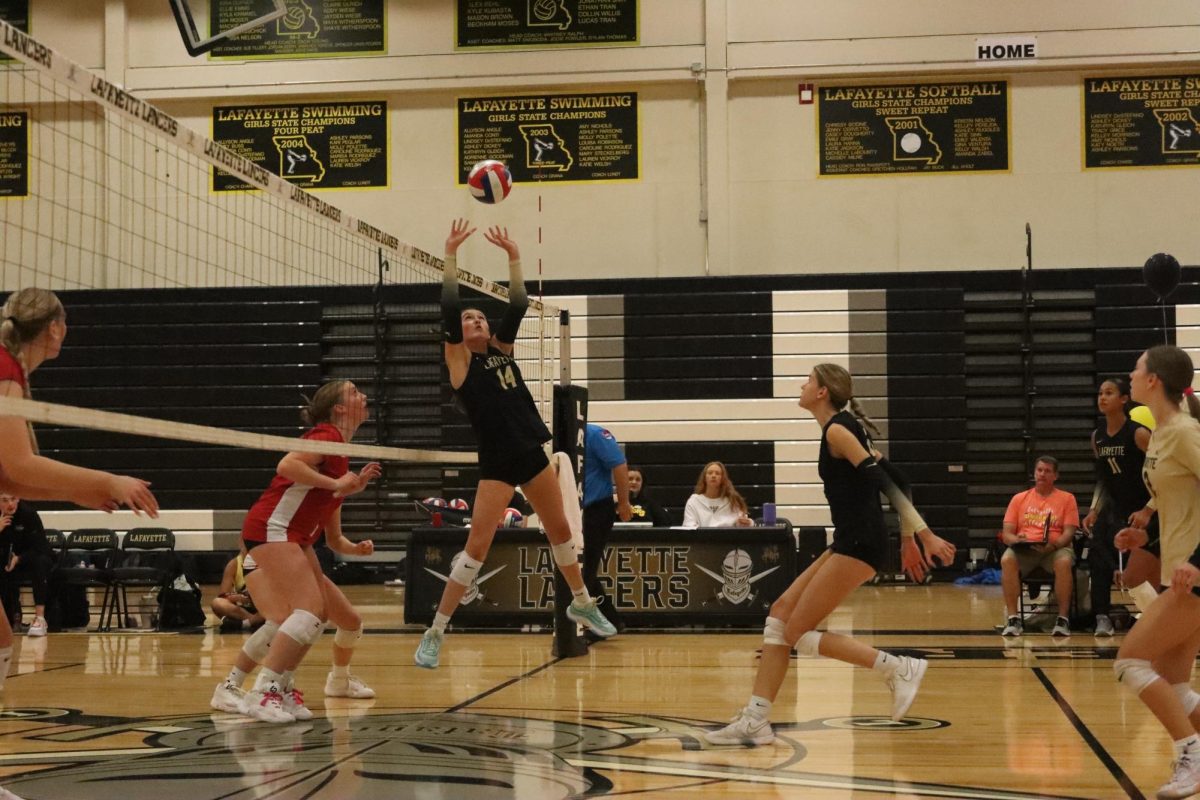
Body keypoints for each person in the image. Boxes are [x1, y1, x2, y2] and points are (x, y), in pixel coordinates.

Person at [704, 363, 956, 747]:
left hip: (860, 542)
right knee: (779, 617)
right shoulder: (844, 428)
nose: (802, 386)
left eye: (808, 381)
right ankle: (756, 719)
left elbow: (885, 482)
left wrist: (924, 534)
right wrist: (906, 541)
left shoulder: (838, 430)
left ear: (822, 392)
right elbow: (902, 479)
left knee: (796, 631)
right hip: (850, 539)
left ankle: (897, 667)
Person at [413, 219, 617, 669]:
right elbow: (449, 309)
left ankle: (581, 601)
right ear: (458, 334)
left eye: (481, 316)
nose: (477, 320)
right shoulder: (460, 362)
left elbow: (519, 303)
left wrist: (513, 255)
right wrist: (450, 255)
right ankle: (436, 630)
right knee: (477, 548)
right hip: (499, 460)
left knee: (561, 531)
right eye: (470, 319)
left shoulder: (501, 353)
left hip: (532, 451)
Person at [0, 288, 158, 800]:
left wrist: (84, 492)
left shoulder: (11, 373)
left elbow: (11, 480)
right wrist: (106, 481)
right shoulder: (3, 370)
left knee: (1, 642)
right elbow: (21, 469)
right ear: (56, 329)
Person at [236, 379, 382, 723]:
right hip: (272, 527)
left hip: (295, 537)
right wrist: (336, 484)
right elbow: (286, 466)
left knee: (317, 616)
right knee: (307, 610)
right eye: (353, 392)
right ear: (340, 408)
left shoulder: (339, 449)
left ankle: (282, 688)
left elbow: (330, 523)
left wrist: (348, 487)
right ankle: (263, 691)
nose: (363, 395)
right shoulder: (327, 436)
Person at [1111, 345, 1200, 799]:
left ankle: (1190, 753)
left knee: (1130, 662)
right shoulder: (1162, 433)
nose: (1130, 373)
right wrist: (1144, 538)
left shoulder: (1186, 432)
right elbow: (1181, 504)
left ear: (1154, 381)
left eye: (1137, 368)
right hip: (1179, 570)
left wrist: (1197, 562)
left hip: (1196, 576)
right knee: (1176, 685)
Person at [1080, 378, 1154, 636]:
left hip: (1140, 509)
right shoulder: (1097, 436)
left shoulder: (1139, 433)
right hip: (1113, 508)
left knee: (1141, 568)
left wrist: (1149, 509)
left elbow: (1160, 473)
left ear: (1124, 399)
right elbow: (1103, 478)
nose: (1102, 397)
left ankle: (1154, 615)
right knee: (1098, 557)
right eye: (1100, 393)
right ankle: (1102, 616)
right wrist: (1093, 510)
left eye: (1109, 393)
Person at [998, 456, 1079, 638]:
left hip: (1055, 548)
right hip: (1026, 550)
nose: (1042, 474)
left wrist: (1052, 546)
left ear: (1055, 476)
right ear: (1034, 473)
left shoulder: (1067, 499)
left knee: (1064, 562)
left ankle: (1062, 619)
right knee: (1007, 559)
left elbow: (1069, 533)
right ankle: (1013, 618)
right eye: (1039, 470)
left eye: (1047, 471)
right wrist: (1016, 541)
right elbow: (1006, 533)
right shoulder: (1019, 499)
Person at [581, 423, 632, 634]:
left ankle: (596, 626)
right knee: (581, 571)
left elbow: (619, 465)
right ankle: (611, 620)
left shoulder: (595, 434)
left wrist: (623, 503)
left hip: (597, 509)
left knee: (586, 570)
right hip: (575, 511)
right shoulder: (559, 442)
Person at [0, 493, 53, 637]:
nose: (10, 504)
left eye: (13, 499)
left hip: (33, 556)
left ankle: (40, 618)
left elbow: (40, 547)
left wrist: (19, 559)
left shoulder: (28, 514)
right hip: (9, 559)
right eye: (5, 500)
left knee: (39, 563)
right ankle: (11, 616)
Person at [682, 461, 754, 528]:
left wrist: (748, 523)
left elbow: (744, 522)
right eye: (710, 473)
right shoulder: (694, 501)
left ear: (722, 479)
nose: (713, 476)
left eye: (717, 473)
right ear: (704, 478)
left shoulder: (732, 500)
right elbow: (689, 527)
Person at [210, 550, 265, 630]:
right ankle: (254, 621)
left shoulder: (269, 559)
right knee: (217, 603)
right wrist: (242, 597)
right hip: (247, 607)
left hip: (266, 606)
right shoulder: (235, 563)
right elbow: (223, 595)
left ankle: (247, 623)